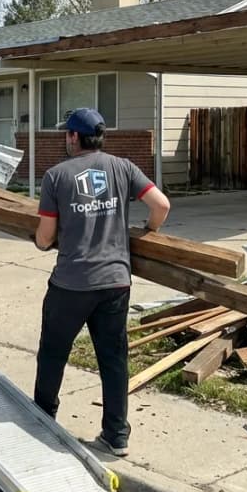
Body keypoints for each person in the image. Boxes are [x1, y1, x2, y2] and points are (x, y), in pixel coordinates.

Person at [32, 107, 171, 457]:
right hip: (115, 282)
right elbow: (162, 205)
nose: (65, 137)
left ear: (75, 137)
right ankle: (116, 435)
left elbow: (45, 237)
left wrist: (40, 240)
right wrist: (150, 231)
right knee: (112, 358)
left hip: (72, 283)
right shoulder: (123, 167)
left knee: (53, 353)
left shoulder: (56, 176)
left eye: (67, 133)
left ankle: (42, 421)